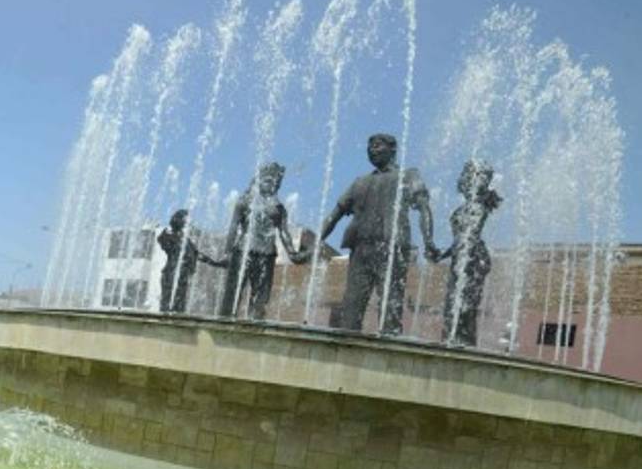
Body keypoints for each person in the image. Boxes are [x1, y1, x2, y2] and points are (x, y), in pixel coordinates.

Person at [313, 133, 441, 334]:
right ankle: (346, 355)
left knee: (391, 307)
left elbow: (424, 207)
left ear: (392, 149)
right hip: (361, 251)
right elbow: (334, 216)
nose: (372, 149)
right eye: (369, 146)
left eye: (378, 145)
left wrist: (429, 241)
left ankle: (388, 356)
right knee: (351, 307)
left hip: (392, 249)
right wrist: (314, 245)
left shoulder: (408, 175)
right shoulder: (360, 182)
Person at [219, 163, 305, 319]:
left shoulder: (279, 208)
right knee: (232, 293)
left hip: (267, 254)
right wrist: (227, 252)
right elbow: (233, 227)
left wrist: (292, 253)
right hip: (243, 251)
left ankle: (254, 328)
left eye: (277, 183)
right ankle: (223, 323)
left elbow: (284, 232)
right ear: (259, 180)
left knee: (261, 299)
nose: (273, 185)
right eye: (269, 181)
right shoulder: (245, 201)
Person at [439, 160, 501, 347]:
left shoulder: (478, 206)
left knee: (464, 305)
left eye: (478, 176)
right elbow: (460, 240)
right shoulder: (463, 208)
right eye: (469, 175)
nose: (467, 180)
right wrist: (442, 254)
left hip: (474, 260)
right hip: (462, 257)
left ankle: (463, 343)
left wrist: (446, 253)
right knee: (453, 304)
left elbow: (470, 237)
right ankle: (454, 340)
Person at [156, 209, 224, 314]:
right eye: (185, 219)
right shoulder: (170, 235)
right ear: (179, 220)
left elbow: (198, 255)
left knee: (179, 308)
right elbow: (161, 240)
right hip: (171, 275)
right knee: (168, 306)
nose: (188, 222)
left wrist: (216, 263)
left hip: (183, 277)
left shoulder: (185, 241)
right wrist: (167, 232)